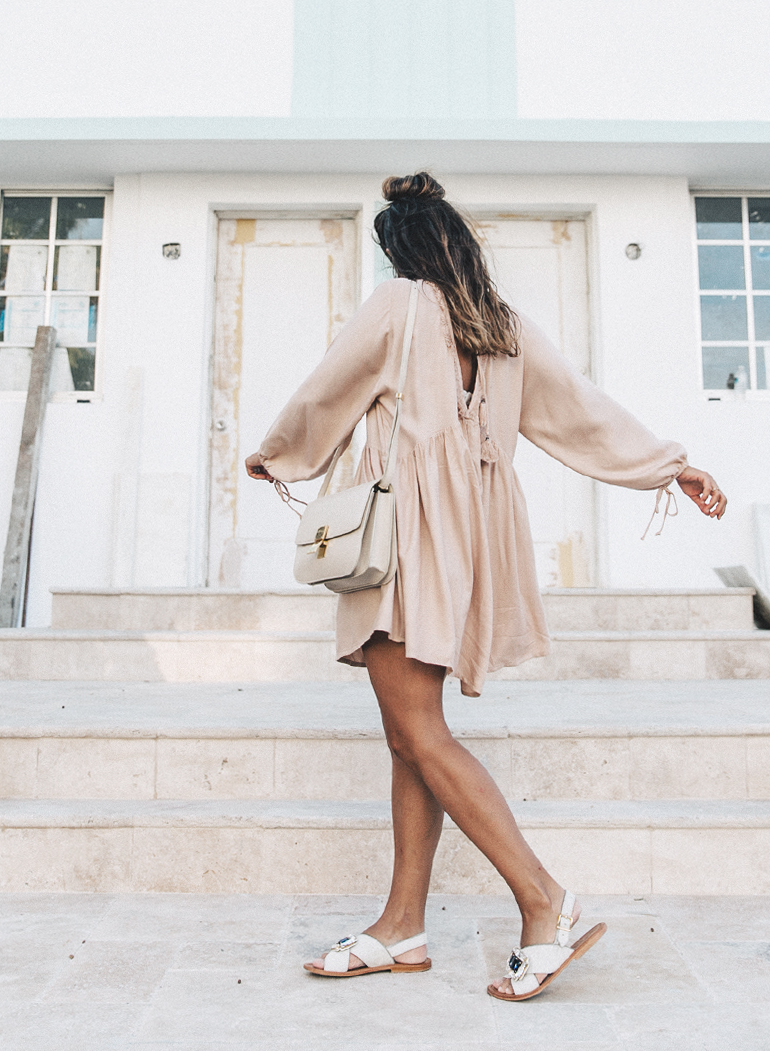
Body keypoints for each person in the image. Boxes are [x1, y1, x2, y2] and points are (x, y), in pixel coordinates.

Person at [246, 173, 726, 1000]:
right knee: (408, 734)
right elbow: (584, 413)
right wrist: (668, 465)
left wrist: (276, 453)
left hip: (402, 540)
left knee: (420, 731)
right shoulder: (506, 327)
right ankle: (402, 925)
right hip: (471, 543)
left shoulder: (395, 307)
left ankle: (545, 902)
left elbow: (326, 389)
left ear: (399, 249)